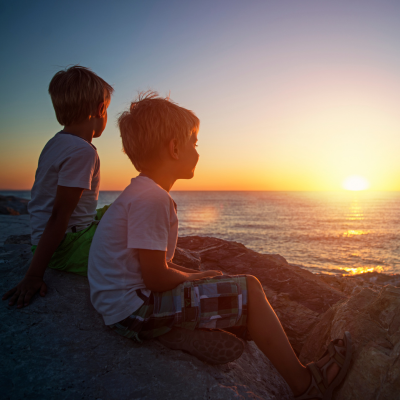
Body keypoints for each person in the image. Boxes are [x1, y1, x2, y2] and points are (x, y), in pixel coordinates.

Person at [88, 92, 352, 399]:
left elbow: (150, 263)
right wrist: (192, 278)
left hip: (120, 305)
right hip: (134, 310)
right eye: (194, 142)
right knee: (251, 289)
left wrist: (197, 276)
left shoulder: (140, 193)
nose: (198, 152)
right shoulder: (153, 199)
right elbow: (156, 277)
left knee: (212, 279)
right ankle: (305, 384)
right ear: (174, 148)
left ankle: (178, 332)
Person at [3, 66, 113, 309]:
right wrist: (33, 275)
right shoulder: (82, 152)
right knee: (134, 233)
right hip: (66, 247)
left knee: (122, 209)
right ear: (100, 109)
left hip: (54, 238)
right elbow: (58, 215)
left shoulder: (56, 142)